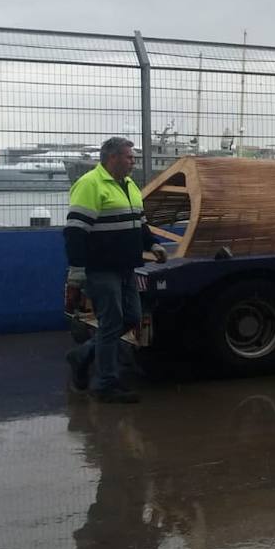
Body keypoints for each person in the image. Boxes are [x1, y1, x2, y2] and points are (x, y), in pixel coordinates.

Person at [64, 137, 165, 403]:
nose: (133, 162)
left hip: (126, 267)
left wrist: (152, 243)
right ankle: (106, 384)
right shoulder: (90, 184)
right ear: (112, 158)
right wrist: (77, 270)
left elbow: (139, 222)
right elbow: (75, 232)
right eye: (129, 157)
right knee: (111, 323)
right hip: (101, 269)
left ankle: (83, 355)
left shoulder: (129, 185)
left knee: (130, 319)